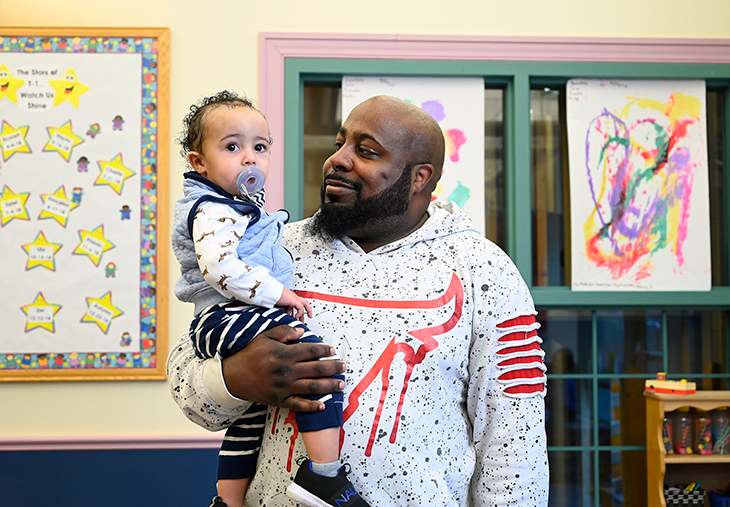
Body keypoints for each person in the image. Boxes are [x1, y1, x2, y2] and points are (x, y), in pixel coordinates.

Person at [168, 94, 550, 506]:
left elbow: (514, 445)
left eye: (365, 151)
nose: (339, 159)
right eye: (339, 144)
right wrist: (235, 378)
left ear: (419, 177)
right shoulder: (275, 250)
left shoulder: (483, 270)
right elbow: (190, 393)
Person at [171, 91, 369, 507]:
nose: (250, 159)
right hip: (227, 315)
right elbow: (222, 270)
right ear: (198, 162)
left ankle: (228, 500)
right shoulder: (212, 209)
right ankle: (324, 477)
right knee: (312, 365)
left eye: (259, 147)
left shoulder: (239, 209)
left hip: (228, 316)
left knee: (251, 420)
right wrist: (281, 295)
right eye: (232, 146)